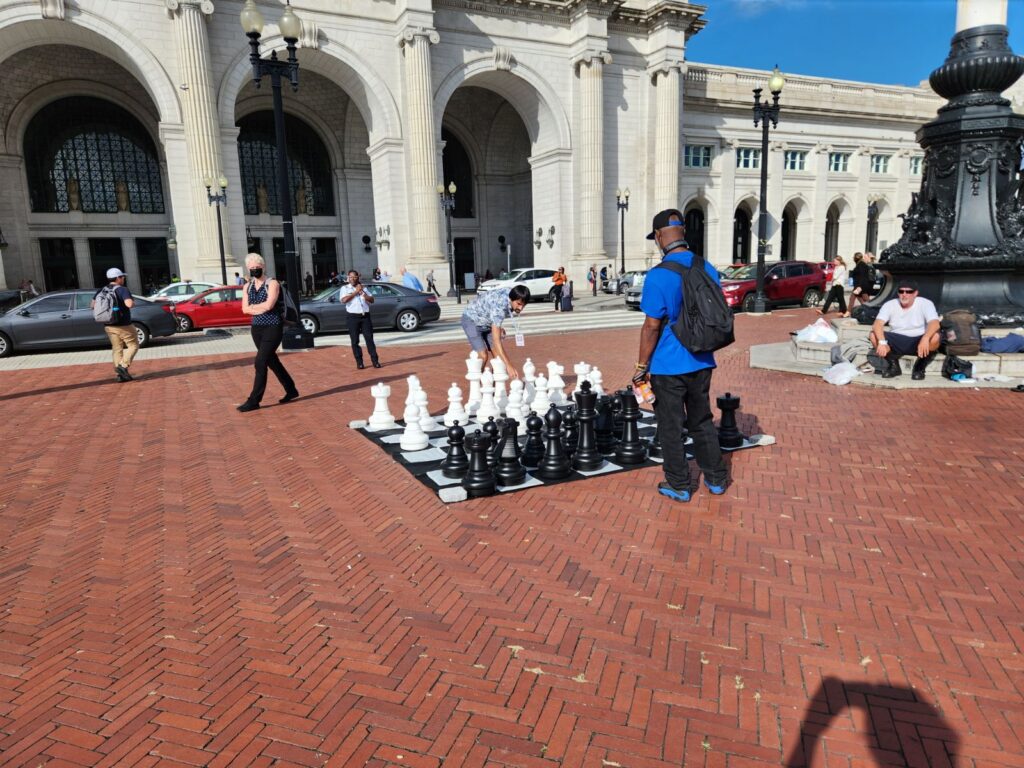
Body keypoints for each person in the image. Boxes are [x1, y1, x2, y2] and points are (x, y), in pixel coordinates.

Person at [633, 209, 728, 503]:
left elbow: (651, 326)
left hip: (667, 366)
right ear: (683, 232)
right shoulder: (707, 267)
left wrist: (640, 367)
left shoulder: (659, 275)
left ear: (660, 237)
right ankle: (716, 479)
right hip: (702, 360)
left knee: (671, 427)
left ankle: (679, 484)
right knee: (701, 421)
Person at [237, 253, 299, 411]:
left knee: (260, 362)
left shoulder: (273, 283)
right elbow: (244, 309)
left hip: (273, 327)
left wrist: (253, 308)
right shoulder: (247, 286)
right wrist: (256, 308)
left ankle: (254, 400)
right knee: (272, 361)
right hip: (256, 329)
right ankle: (291, 390)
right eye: (251, 268)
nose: (254, 270)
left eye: (257, 268)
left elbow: (269, 305)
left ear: (263, 267)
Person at [869, 278, 940, 380]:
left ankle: (919, 367)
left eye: (909, 291)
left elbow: (935, 323)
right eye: (901, 291)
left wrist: (925, 338)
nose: (904, 294)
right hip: (897, 338)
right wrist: (882, 342)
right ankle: (894, 366)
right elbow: (877, 324)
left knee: (935, 336)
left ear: (915, 293)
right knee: (873, 335)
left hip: (918, 339)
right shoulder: (890, 304)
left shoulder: (925, 303)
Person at [460, 285, 528, 378]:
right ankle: (479, 384)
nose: (521, 308)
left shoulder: (513, 292)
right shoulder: (500, 306)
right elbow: (497, 341)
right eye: (519, 304)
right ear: (512, 298)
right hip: (471, 320)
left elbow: (492, 309)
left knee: (499, 360)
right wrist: (509, 365)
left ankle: (495, 387)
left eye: (523, 305)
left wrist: (498, 326)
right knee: (483, 356)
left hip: (487, 323)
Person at [91, 267, 138, 383]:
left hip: (108, 324)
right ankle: (123, 366)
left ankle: (120, 375)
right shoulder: (122, 289)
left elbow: (92, 305)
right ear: (118, 278)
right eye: (122, 277)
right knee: (133, 345)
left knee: (117, 349)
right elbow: (129, 304)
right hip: (124, 324)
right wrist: (133, 302)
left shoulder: (102, 290)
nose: (123, 279)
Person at [341, 269, 381, 370]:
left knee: (369, 339)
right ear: (348, 278)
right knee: (355, 341)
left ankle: (375, 361)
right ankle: (359, 362)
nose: (353, 279)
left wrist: (363, 293)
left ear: (358, 277)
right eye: (351, 277)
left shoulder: (364, 288)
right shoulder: (345, 288)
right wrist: (356, 292)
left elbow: (372, 300)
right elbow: (344, 300)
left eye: (354, 277)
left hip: (365, 317)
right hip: (352, 317)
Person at [847, 252, 874, 317]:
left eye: (854, 257)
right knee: (864, 300)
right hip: (860, 285)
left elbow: (862, 276)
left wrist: (860, 286)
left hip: (860, 285)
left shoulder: (861, 264)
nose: (853, 258)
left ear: (857, 257)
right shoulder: (860, 264)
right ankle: (871, 311)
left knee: (852, 298)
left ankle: (848, 312)